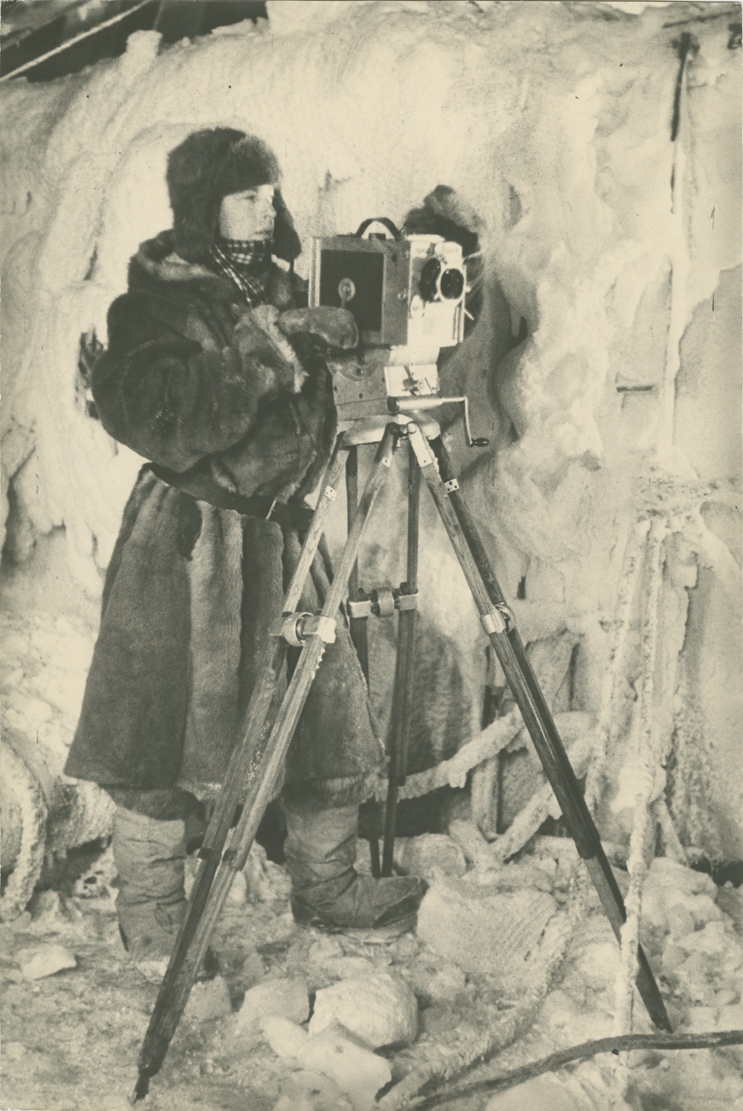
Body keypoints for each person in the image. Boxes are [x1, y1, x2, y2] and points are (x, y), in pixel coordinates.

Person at [64, 128, 428, 962]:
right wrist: (273, 346)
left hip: (280, 534)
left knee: (325, 715)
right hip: (189, 543)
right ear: (203, 206)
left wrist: (354, 363)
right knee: (157, 727)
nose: (264, 207)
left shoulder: (289, 285)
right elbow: (162, 418)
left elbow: (320, 416)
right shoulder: (150, 303)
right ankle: (152, 907)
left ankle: (327, 886)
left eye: (268, 191)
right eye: (243, 194)